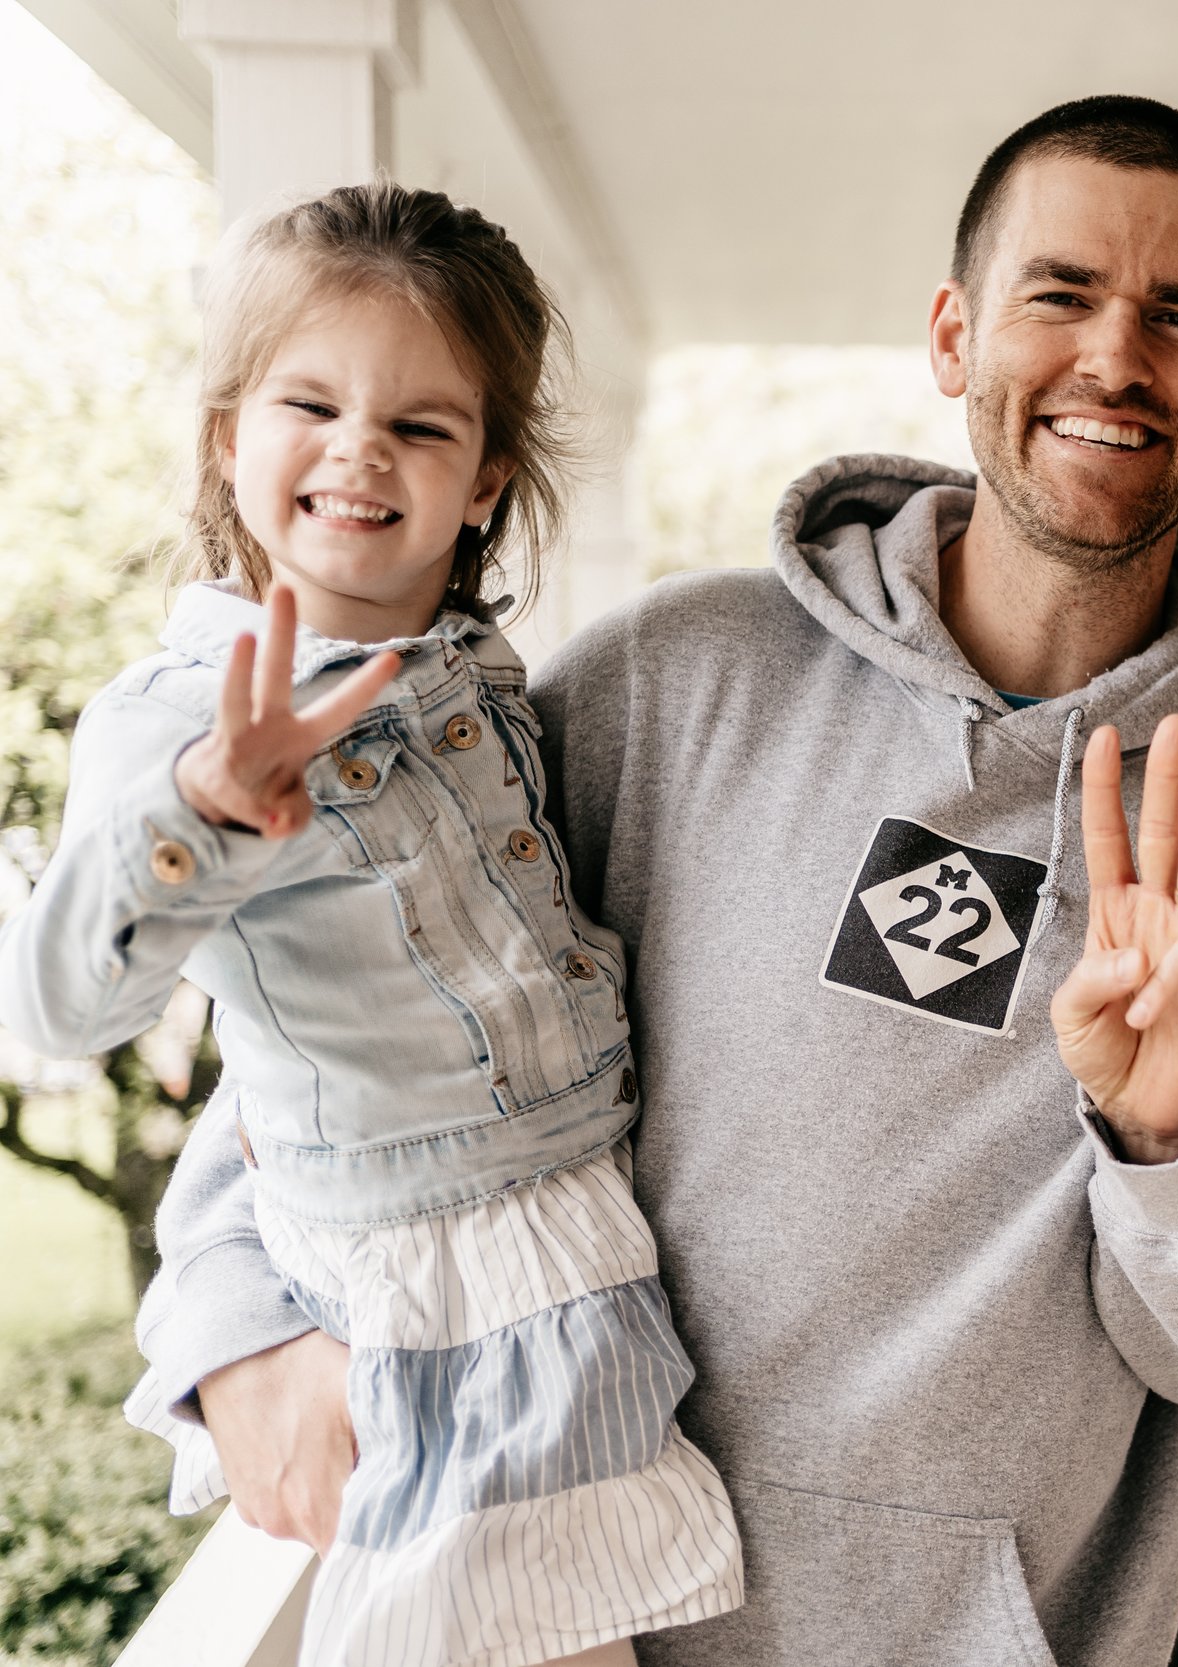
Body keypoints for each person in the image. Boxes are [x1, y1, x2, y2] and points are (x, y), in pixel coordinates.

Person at [133, 97, 1178, 1666]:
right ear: (954, 334)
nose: (1115, 358)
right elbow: (349, 1005)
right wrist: (237, 1317)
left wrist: (1172, 1143)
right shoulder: (669, 682)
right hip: (566, 1611)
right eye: (1062, 294)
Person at [0, 183, 743, 1666]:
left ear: (484, 480)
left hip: (576, 1236)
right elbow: (50, 1015)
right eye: (310, 402)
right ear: (229, 437)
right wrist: (206, 812)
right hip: (438, 1275)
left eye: (419, 424)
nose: (358, 449)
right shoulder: (182, 715)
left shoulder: (477, 674)